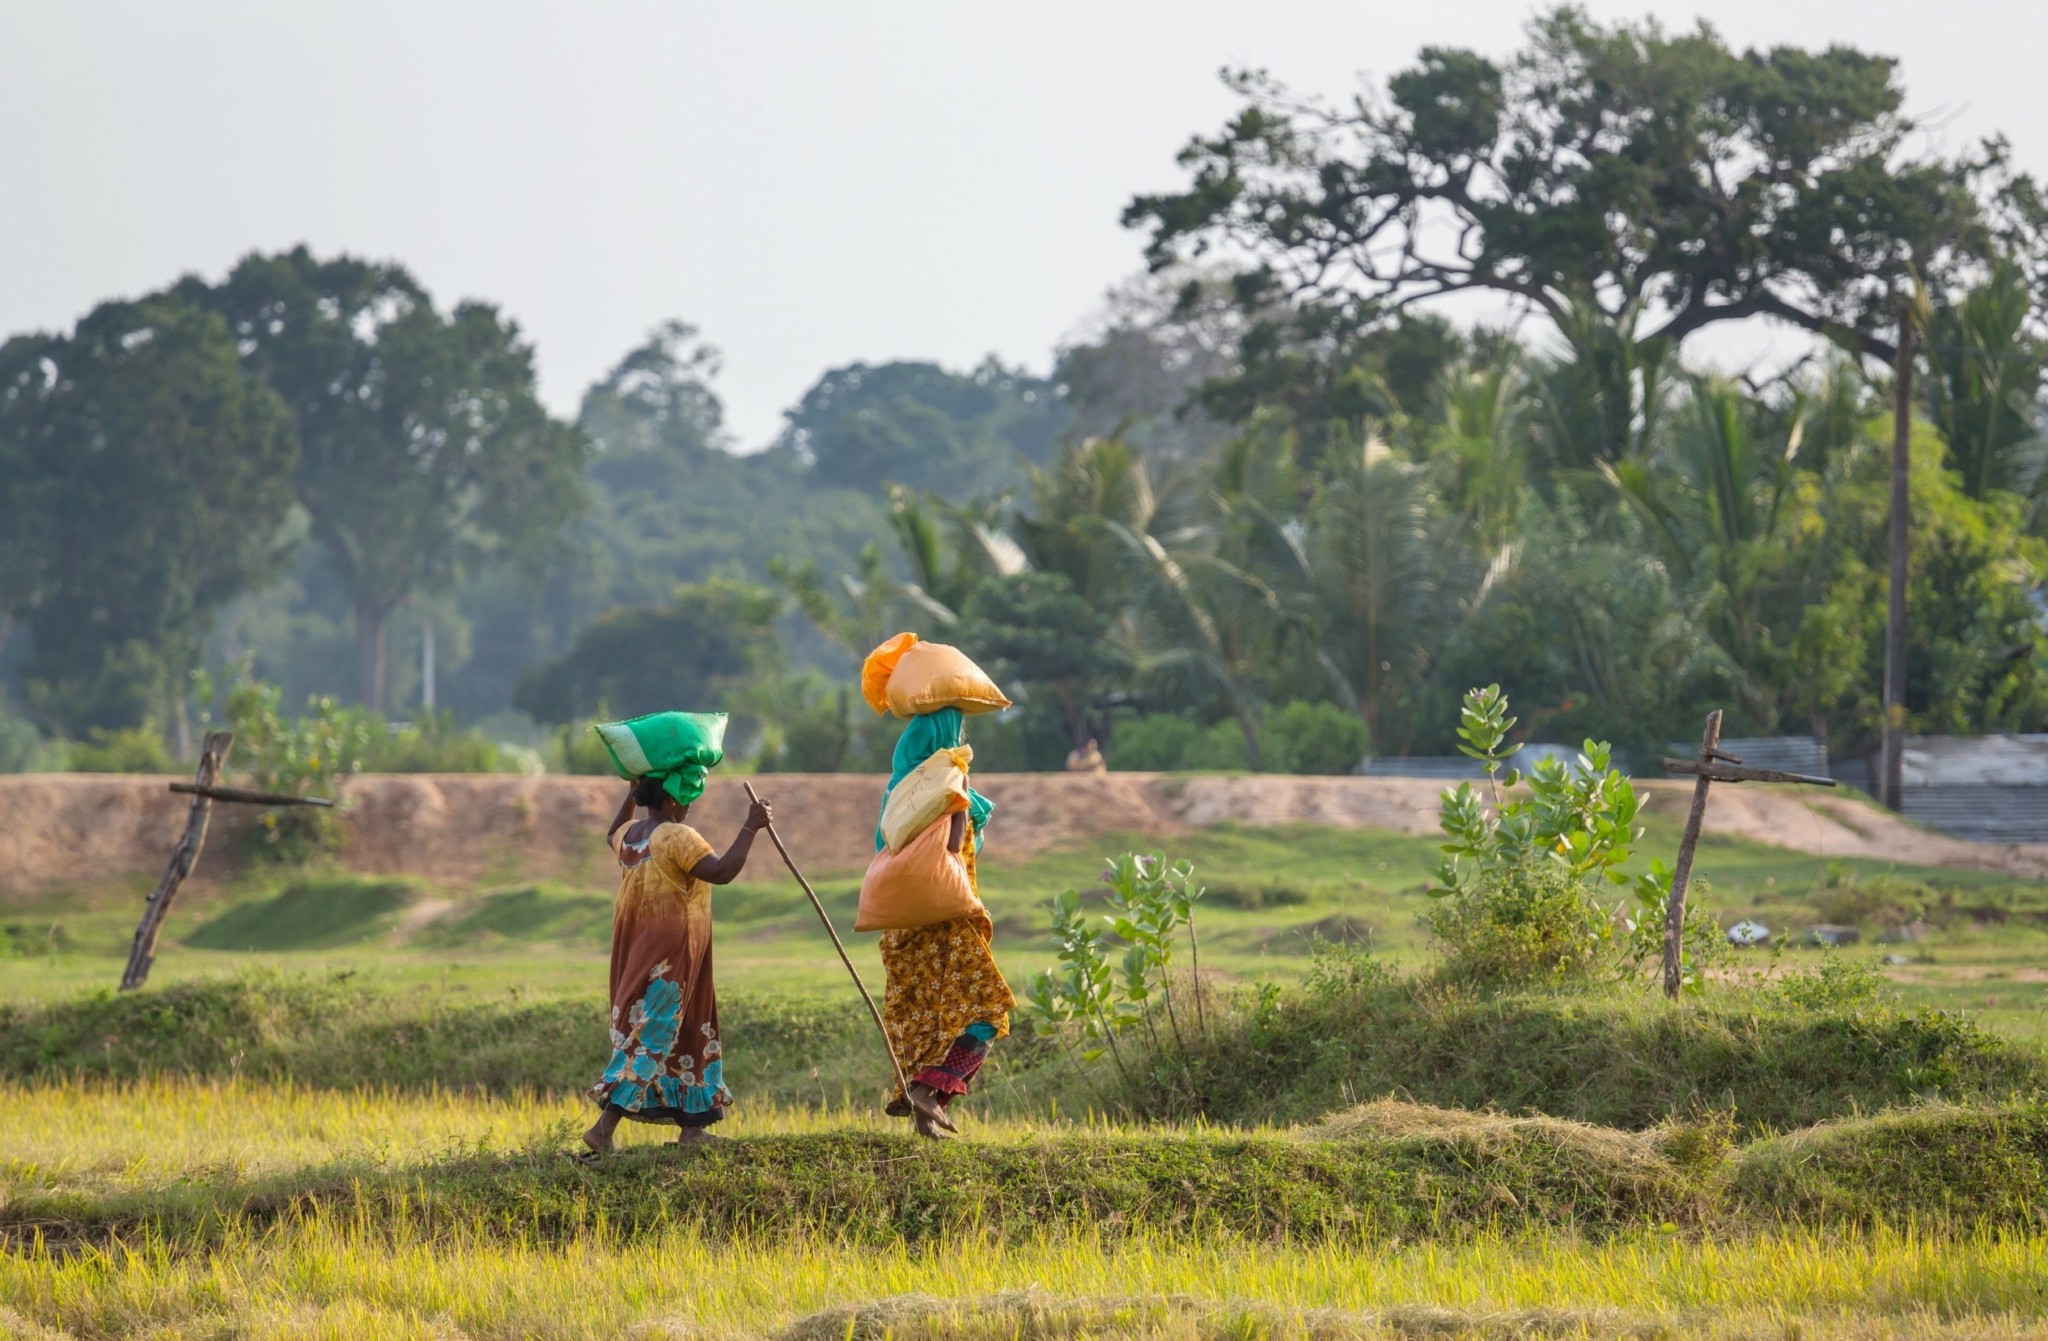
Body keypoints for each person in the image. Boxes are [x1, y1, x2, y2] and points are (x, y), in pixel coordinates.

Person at [580, 774, 771, 1158]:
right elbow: (721, 871)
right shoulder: (676, 836)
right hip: (673, 954)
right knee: (655, 1034)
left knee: (687, 1032)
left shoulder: (633, 835)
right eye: (685, 800)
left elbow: (611, 832)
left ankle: (692, 1130)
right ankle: (602, 1129)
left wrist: (631, 793)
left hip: (642, 949)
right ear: (671, 800)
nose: (688, 808)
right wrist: (751, 826)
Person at [875, 707, 1014, 1139]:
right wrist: (960, 798)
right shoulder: (947, 783)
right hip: (947, 924)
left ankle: (926, 1116)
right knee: (990, 1010)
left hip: (903, 927)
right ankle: (928, 1094)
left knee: (926, 1023)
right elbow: (950, 847)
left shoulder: (897, 792)